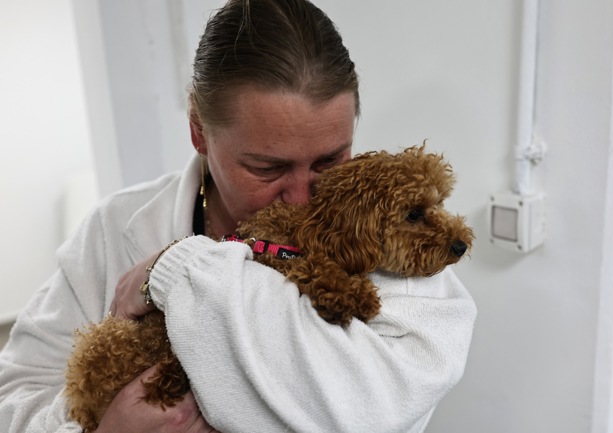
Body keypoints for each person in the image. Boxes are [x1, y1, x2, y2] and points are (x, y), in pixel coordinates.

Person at [0, 0, 477, 432]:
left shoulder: (412, 269)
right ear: (198, 132)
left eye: (330, 160)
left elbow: (363, 414)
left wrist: (174, 268)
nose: (301, 199)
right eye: (267, 168)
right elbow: (15, 392)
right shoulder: (112, 226)